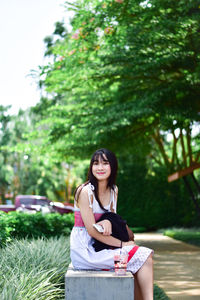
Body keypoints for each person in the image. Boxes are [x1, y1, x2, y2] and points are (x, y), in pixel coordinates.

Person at [70, 148, 153, 300]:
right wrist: (123, 244)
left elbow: (113, 220)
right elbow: (92, 231)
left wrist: (107, 220)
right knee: (144, 255)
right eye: (96, 163)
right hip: (86, 251)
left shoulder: (114, 190)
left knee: (136, 264)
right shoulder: (85, 192)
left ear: (112, 166)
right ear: (91, 167)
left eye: (105, 163)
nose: (100, 167)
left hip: (104, 245)